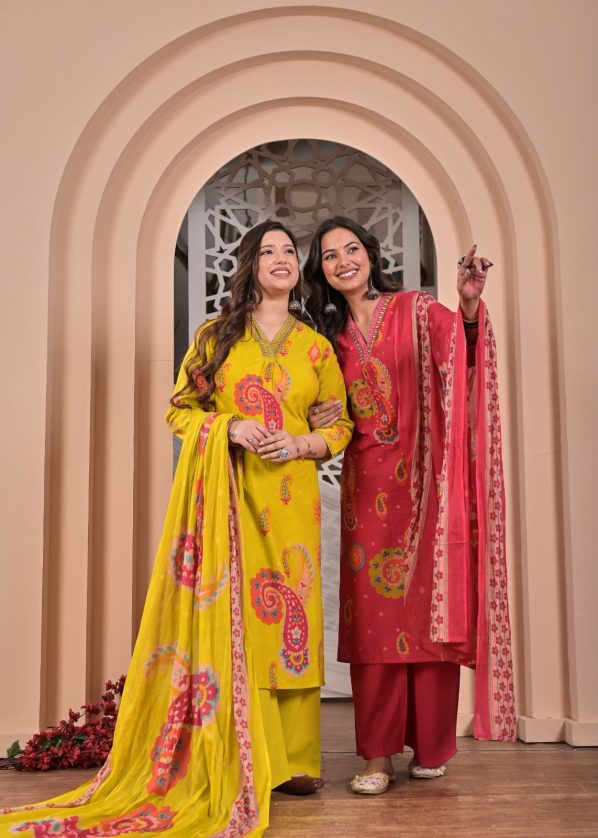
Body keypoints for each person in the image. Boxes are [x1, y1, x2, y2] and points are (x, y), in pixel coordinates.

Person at [0, 220, 352, 836]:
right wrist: (231, 427)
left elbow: (340, 426)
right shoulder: (216, 337)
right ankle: (248, 755)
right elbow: (179, 411)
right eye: (268, 251)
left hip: (293, 502)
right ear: (249, 264)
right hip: (229, 499)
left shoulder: (316, 347)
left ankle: (296, 761)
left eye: (289, 252)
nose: (281, 259)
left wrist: (301, 441)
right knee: (240, 623)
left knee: (291, 625)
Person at [304, 216, 515, 796]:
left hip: (427, 485)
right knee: (373, 626)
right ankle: (377, 757)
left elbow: (463, 352)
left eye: (351, 249)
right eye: (330, 256)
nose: (343, 261)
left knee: (427, 612)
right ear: (321, 271)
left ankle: (430, 745)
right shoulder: (324, 338)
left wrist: (467, 303)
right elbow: (311, 404)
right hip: (366, 494)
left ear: (370, 255)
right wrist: (315, 414)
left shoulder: (416, 311)